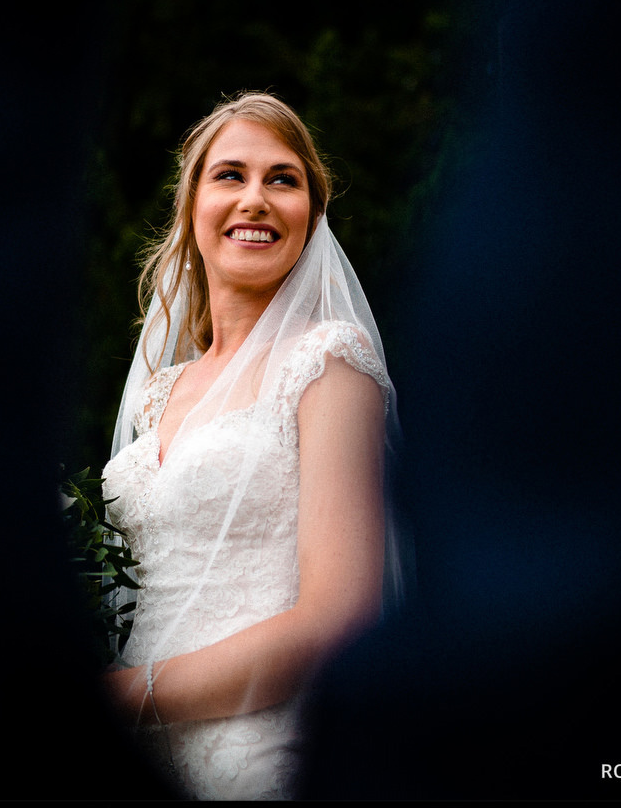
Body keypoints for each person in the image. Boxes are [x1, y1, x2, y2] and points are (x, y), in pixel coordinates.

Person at [101, 92, 398, 800]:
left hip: (257, 754)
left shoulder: (330, 361)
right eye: (230, 174)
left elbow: (341, 615)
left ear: (312, 216)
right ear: (191, 204)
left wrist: (135, 693)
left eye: (283, 179)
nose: (256, 198)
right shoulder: (157, 391)